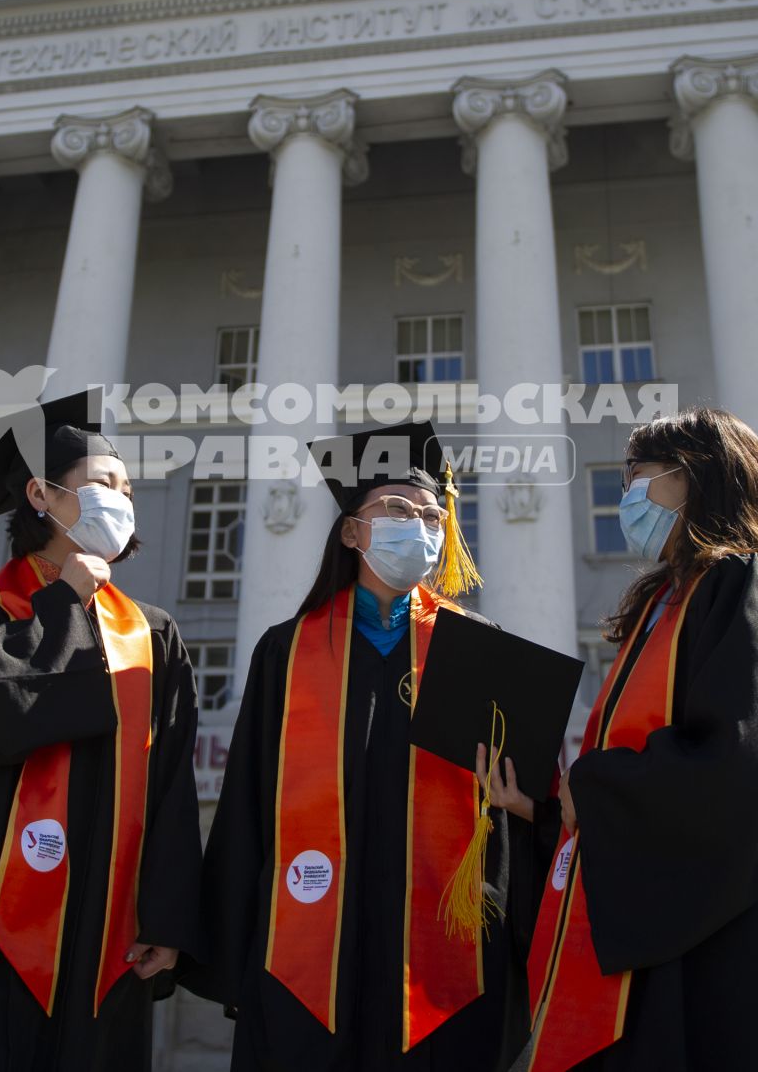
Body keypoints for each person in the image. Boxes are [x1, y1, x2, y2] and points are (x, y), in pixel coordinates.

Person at [195, 422, 545, 1072]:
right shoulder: (290, 651)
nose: (418, 525)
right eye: (396, 509)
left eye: (430, 514)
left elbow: (510, 814)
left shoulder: (475, 648)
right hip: (306, 957)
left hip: (445, 973)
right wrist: (227, 945)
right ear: (352, 531)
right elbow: (246, 808)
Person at [0, 391, 202, 1072]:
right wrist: (64, 604)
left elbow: (172, 780)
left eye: (128, 488)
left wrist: (168, 918)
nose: (123, 498)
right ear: (42, 495)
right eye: (104, 483)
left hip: (105, 916)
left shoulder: (153, 633)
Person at [522, 407, 758, 1072]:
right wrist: (552, 811)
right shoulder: (668, 599)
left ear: (691, 479)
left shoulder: (740, 592)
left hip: (705, 952)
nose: (626, 489)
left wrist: (592, 788)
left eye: (638, 473)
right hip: (655, 934)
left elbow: (731, 767)